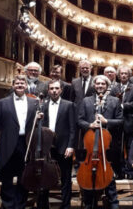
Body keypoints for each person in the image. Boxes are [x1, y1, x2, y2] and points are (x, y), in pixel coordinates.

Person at [0, 75, 37, 208]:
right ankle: (7, 205)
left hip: (26, 144)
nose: (20, 85)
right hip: (7, 144)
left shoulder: (34, 103)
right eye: (17, 83)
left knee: (23, 178)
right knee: (6, 179)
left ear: (26, 86)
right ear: (13, 86)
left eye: (22, 83)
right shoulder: (2, 103)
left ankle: (20, 205)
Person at [77, 75, 123, 209]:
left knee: (109, 181)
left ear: (107, 86)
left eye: (103, 84)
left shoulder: (115, 101)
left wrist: (106, 121)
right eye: (97, 84)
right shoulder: (86, 101)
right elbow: (80, 120)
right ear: (94, 85)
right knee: (88, 186)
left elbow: (121, 121)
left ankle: (114, 205)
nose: (100, 86)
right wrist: (90, 125)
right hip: (91, 146)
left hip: (107, 148)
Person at [37, 80, 76, 209]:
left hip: (64, 147)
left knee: (66, 178)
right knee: (45, 177)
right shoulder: (43, 106)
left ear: (61, 90)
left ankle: (66, 205)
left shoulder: (69, 105)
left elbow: (73, 128)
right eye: (51, 88)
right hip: (47, 148)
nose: (54, 90)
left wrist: (70, 146)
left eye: (56, 88)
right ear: (48, 90)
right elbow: (40, 128)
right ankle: (43, 205)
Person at [110, 65, 133, 178]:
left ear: (129, 75)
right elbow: (111, 102)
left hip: (130, 121)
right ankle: (119, 171)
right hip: (116, 123)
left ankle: (130, 170)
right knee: (116, 147)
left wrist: (122, 106)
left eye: (126, 74)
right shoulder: (114, 88)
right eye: (121, 73)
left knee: (130, 147)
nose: (123, 75)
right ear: (118, 75)